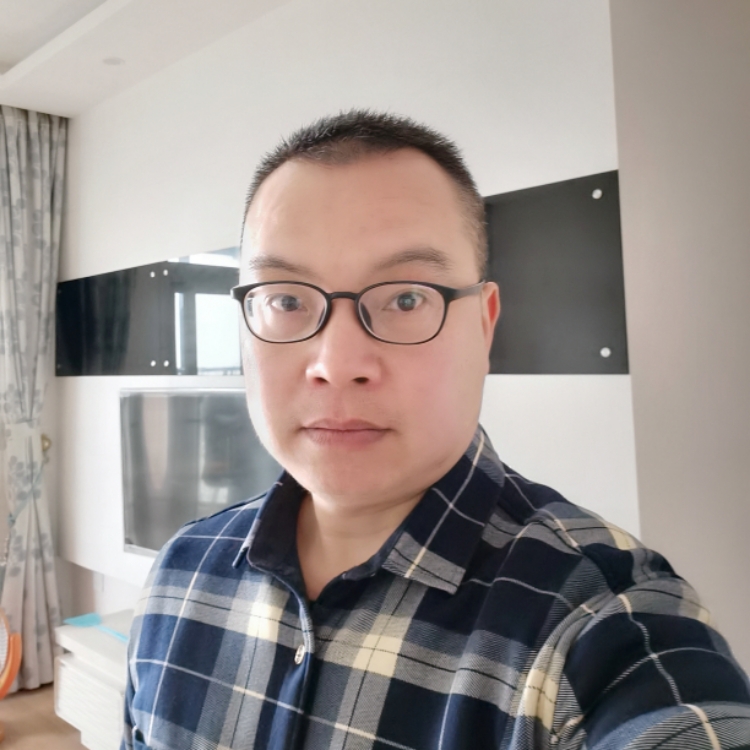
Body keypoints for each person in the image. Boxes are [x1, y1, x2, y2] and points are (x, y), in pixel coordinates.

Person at [122, 110, 750, 750]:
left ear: (484, 323)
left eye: (406, 298)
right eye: (286, 300)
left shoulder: (601, 621)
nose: (337, 363)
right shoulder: (181, 574)